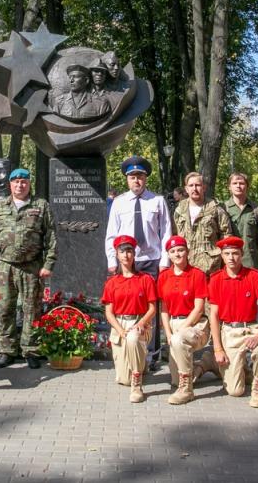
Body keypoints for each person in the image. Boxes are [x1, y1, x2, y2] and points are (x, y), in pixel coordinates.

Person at [104, 155, 171, 366]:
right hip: (126, 261)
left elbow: (166, 231)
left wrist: (164, 261)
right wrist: (111, 260)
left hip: (151, 260)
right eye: (132, 177)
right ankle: (127, 347)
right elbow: (111, 234)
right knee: (129, 305)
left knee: (151, 307)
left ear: (146, 178)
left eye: (140, 176)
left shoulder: (157, 201)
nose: (136, 181)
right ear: (126, 179)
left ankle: (150, 353)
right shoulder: (119, 202)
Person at [0, 168, 57, 370]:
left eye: (24, 182)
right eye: (16, 182)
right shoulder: (0, 206)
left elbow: (51, 236)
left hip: (32, 266)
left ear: (29, 184)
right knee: (6, 309)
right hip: (5, 266)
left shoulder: (40, 205)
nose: (20, 185)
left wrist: (48, 264)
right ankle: (7, 351)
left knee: (32, 310)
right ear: (10, 184)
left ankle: (31, 350)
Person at [207, 236, 258, 408]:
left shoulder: (253, 276)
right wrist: (217, 348)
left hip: (251, 328)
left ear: (242, 254)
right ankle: (217, 362)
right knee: (235, 391)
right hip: (230, 331)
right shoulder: (215, 279)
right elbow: (213, 315)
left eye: (235, 253)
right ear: (221, 256)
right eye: (227, 253)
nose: (231, 257)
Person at [102, 235, 158, 403]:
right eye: (122, 251)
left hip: (140, 322)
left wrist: (140, 323)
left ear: (134, 254)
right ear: (117, 255)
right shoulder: (112, 282)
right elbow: (109, 312)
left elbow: (153, 308)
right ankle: (141, 366)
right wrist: (121, 331)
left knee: (134, 339)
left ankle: (137, 384)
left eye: (129, 251)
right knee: (122, 380)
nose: (126, 255)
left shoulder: (145, 279)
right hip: (120, 324)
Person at [157, 235, 209, 405]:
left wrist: (179, 331)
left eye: (180, 250)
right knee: (173, 380)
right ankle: (205, 365)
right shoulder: (164, 276)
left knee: (179, 340)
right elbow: (164, 308)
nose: (177, 254)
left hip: (194, 323)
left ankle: (186, 390)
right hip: (173, 322)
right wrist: (168, 333)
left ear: (187, 252)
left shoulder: (197, 274)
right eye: (173, 251)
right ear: (169, 255)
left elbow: (199, 308)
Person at [173, 172, 233, 274]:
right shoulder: (179, 210)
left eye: (198, 185)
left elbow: (226, 235)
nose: (194, 188)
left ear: (204, 188)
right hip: (186, 265)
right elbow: (175, 236)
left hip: (211, 266)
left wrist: (225, 260)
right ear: (186, 189)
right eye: (191, 185)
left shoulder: (215, 209)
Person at [225, 172, 258, 270]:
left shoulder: (257, 209)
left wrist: (252, 247)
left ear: (247, 186)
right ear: (229, 187)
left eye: (241, 183)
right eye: (234, 183)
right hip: (228, 262)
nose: (238, 186)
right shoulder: (222, 209)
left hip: (250, 262)